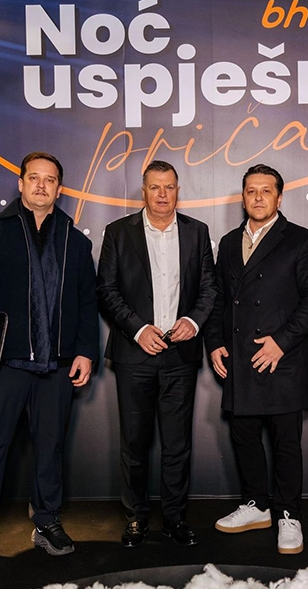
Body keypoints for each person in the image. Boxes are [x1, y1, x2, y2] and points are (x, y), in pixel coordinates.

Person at [0, 152, 99, 574]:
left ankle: (46, 523)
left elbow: (87, 302)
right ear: (21, 183)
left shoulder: (75, 241)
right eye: (34, 178)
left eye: (50, 180)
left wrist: (85, 351)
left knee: (50, 448)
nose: (42, 185)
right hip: (3, 363)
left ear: (59, 189)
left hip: (57, 365)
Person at [204, 163, 308, 555]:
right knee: (243, 436)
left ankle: (289, 515)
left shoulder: (301, 240)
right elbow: (218, 299)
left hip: (281, 359)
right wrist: (215, 342)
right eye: (251, 191)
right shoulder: (228, 243)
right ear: (243, 198)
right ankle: (256, 505)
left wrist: (282, 342)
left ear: (279, 197)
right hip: (239, 359)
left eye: (266, 191)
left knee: (285, 442)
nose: (258, 197)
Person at [96, 160, 216, 548]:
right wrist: (137, 329)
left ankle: (175, 518)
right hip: (135, 355)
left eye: (169, 187)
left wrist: (193, 322)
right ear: (143, 191)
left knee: (177, 445)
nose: (162, 194)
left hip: (180, 354)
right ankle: (135, 518)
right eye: (154, 187)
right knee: (134, 443)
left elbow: (209, 289)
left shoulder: (197, 232)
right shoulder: (118, 232)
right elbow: (106, 290)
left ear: (178, 190)